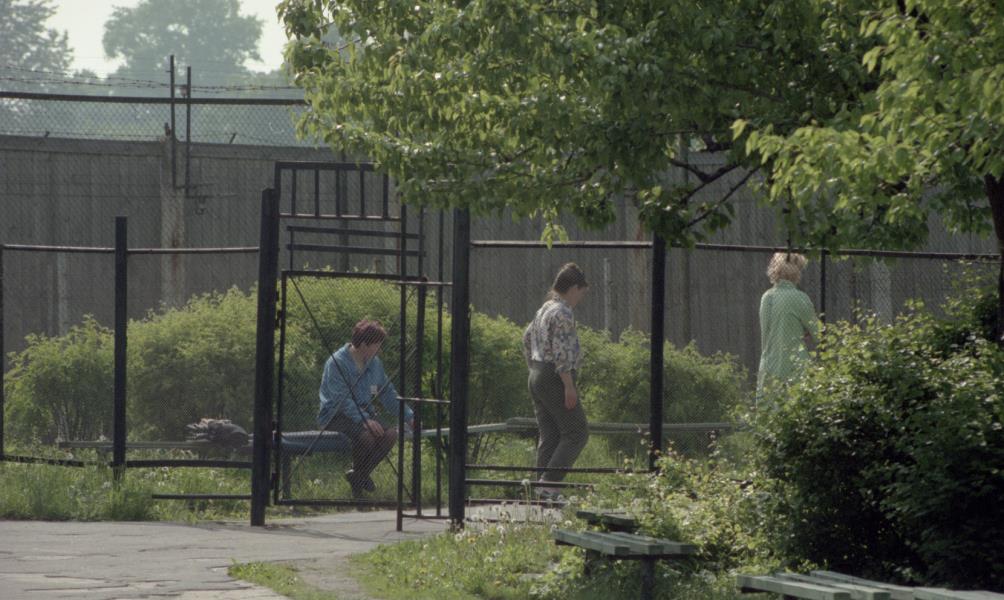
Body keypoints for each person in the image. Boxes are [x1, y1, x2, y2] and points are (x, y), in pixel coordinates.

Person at [317, 319, 413, 497]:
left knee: (390, 434)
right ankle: (358, 485)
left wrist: (408, 416)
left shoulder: (375, 363)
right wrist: (365, 420)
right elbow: (341, 400)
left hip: (364, 415)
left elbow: (387, 392)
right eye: (377, 345)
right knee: (368, 436)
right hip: (335, 415)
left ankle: (358, 475)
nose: (380, 349)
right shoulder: (336, 363)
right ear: (363, 345)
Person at [522, 262, 590, 500]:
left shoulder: (545, 309)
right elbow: (561, 352)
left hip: (537, 373)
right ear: (573, 288)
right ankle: (549, 484)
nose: (581, 298)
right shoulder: (563, 312)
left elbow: (526, 337)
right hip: (555, 376)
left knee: (550, 435)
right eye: (581, 292)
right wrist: (568, 385)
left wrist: (534, 367)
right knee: (577, 432)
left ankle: (540, 491)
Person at [756, 252, 820, 403]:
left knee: (769, 410)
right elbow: (819, 335)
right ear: (797, 271)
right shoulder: (800, 298)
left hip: (769, 364)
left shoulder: (767, 297)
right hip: (796, 366)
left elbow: (767, 332)